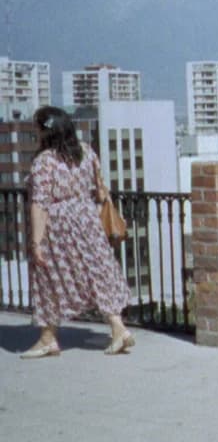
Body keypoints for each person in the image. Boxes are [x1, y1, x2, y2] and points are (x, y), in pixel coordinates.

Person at [21, 106, 134, 358]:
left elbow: (40, 203)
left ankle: (48, 338)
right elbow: (100, 188)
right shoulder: (86, 151)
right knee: (97, 271)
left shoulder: (44, 161)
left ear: (45, 131)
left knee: (48, 277)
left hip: (59, 224)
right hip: (87, 218)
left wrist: (36, 242)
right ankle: (118, 328)